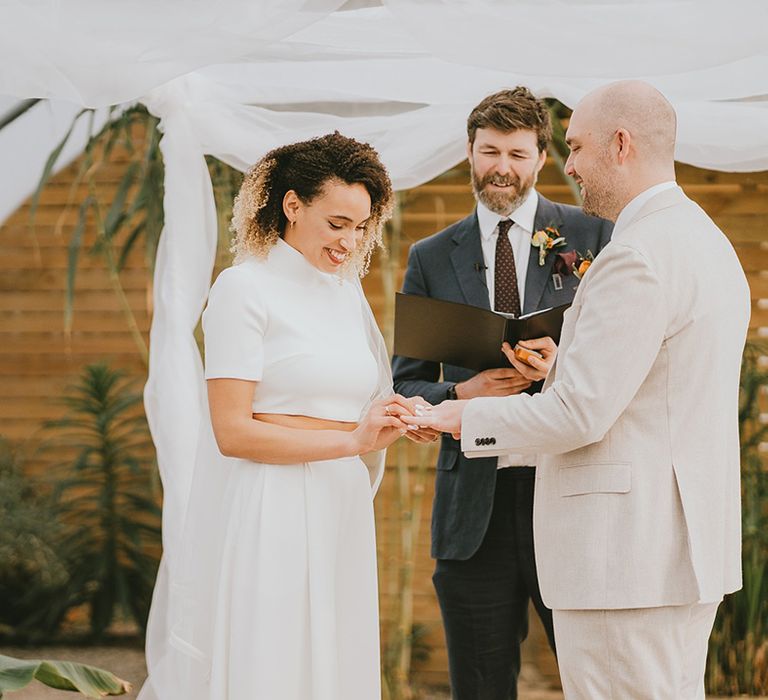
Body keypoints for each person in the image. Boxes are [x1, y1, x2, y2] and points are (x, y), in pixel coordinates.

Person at [401, 81, 751, 700]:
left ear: (621, 145)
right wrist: (564, 365)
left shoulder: (634, 254)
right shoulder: (703, 240)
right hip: (676, 548)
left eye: (577, 146)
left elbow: (580, 413)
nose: (569, 166)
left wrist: (458, 413)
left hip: (625, 554)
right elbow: (649, 386)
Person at [139, 132, 434, 700]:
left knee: (332, 665)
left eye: (360, 226)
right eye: (336, 223)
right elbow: (232, 431)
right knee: (273, 666)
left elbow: (348, 410)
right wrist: (353, 442)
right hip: (272, 507)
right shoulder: (243, 290)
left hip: (339, 505)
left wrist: (392, 420)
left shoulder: (345, 296)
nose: (349, 241)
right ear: (292, 206)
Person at [391, 87, 612, 700]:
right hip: (473, 510)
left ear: (542, 157)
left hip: (569, 493)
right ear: (469, 152)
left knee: (596, 681)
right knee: (480, 686)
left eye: (517, 153)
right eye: (489, 151)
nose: (502, 168)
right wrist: (466, 389)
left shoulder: (595, 237)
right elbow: (404, 383)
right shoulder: (431, 256)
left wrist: (559, 369)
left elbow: (622, 366)